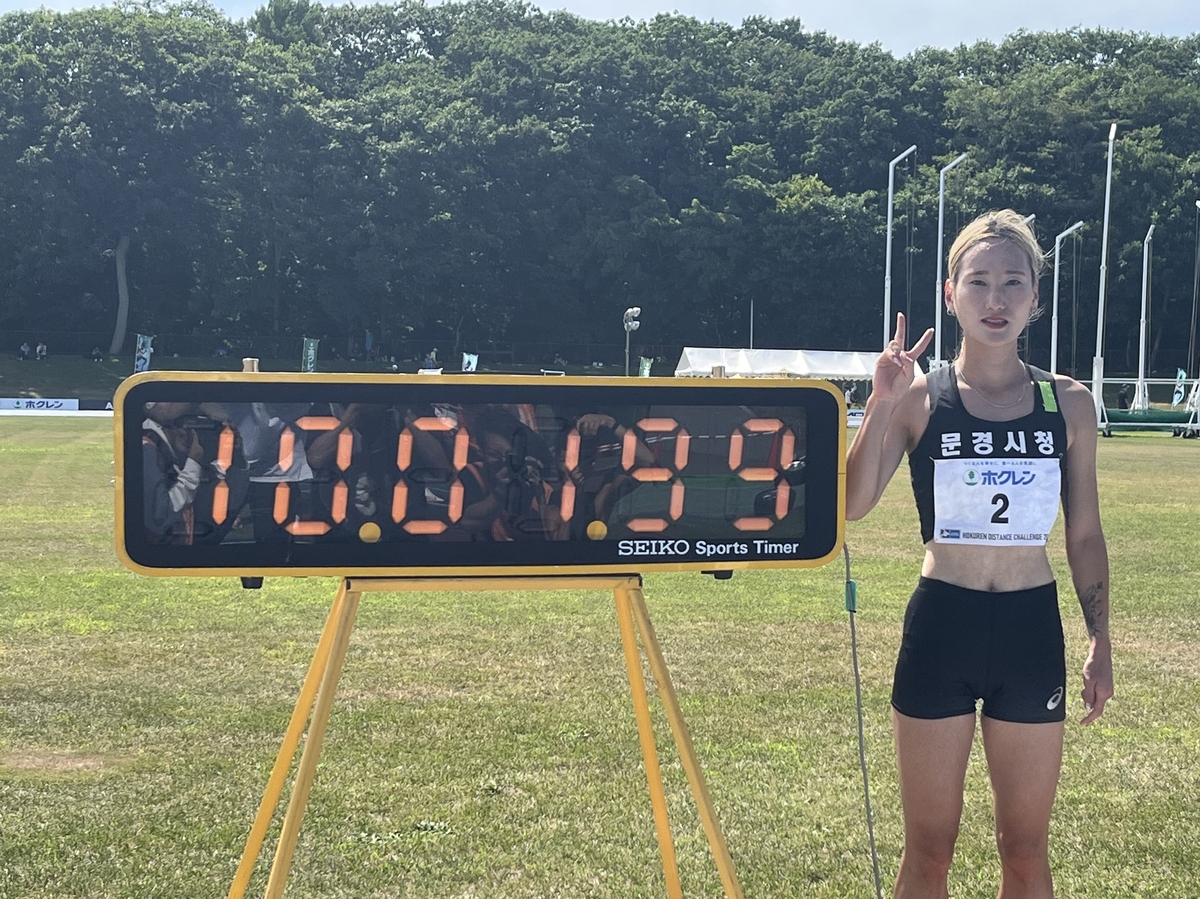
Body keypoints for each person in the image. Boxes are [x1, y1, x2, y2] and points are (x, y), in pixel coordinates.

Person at [846, 210, 1112, 898]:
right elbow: (851, 503)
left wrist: (1100, 639)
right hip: (943, 627)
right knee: (928, 852)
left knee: (1025, 850)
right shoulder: (917, 397)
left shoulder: (1068, 403)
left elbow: (1083, 532)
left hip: (1029, 628)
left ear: (1035, 297)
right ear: (951, 292)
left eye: (1013, 284)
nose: (996, 300)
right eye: (979, 282)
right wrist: (877, 404)